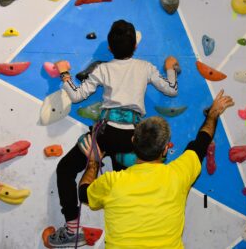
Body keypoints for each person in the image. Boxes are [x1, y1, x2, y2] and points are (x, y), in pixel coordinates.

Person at [48, 19, 181, 247]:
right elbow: (171, 90)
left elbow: (77, 96)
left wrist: (65, 74)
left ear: (110, 48)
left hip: (104, 134)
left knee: (65, 169)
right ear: (135, 46)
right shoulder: (145, 68)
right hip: (133, 140)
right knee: (130, 191)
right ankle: (137, 237)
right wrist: (170, 66)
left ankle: (71, 229)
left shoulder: (103, 69)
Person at [77, 89, 234, 248]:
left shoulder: (112, 182)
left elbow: (84, 194)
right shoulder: (178, 174)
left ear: (133, 140)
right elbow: (202, 141)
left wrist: (93, 163)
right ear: (165, 149)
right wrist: (212, 115)